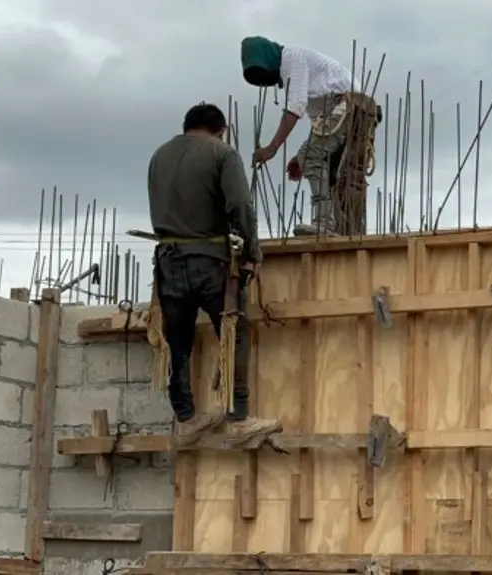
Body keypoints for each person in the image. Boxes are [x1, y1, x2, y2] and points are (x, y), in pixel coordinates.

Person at [146, 102, 280, 446]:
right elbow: (240, 205)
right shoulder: (221, 153)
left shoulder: (159, 155)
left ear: (186, 126)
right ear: (220, 130)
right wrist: (252, 252)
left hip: (167, 261)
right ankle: (238, 417)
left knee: (178, 342)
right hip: (209, 261)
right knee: (233, 331)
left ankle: (186, 417)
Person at [241, 36, 361, 237]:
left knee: (314, 158)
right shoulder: (294, 66)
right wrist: (302, 155)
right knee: (311, 157)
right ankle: (332, 223)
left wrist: (272, 148)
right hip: (340, 111)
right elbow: (318, 119)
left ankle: (324, 222)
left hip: (347, 106)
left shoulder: (292, 57)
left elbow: (296, 107)